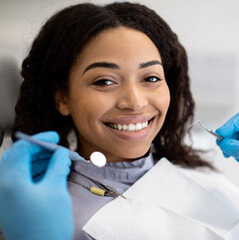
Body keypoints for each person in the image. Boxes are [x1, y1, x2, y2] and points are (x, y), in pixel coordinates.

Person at [0, 2, 239, 239]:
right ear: (63, 97)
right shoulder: (47, 214)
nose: (135, 102)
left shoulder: (200, 169)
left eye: (151, 77)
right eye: (104, 81)